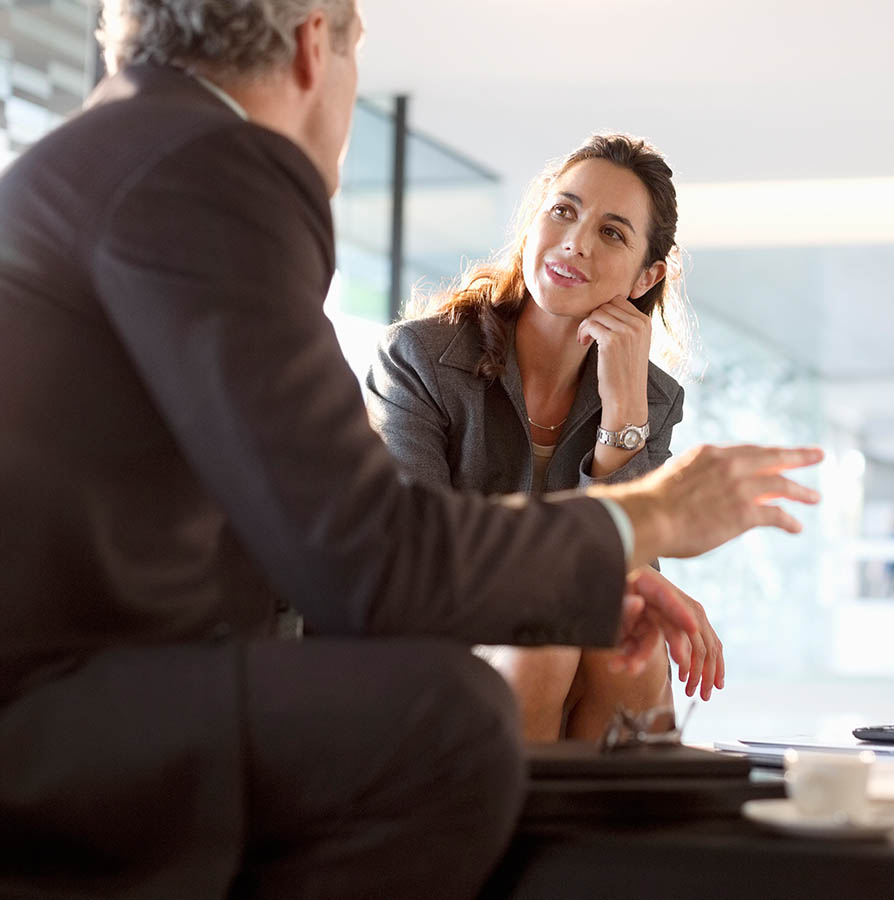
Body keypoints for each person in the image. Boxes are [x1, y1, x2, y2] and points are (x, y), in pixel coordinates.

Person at [0, 1, 823, 898]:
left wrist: (591, 564)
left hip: (94, 677)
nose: (578, 244)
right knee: (449, 721)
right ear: (318, 46)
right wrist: (650, 512)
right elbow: (368, 557)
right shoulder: (205, 167)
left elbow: (309, 524)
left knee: (606, 657)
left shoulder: (126, 148)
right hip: (51, 714)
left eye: (613, 234)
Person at [367, 132, 722, 742]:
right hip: (437, 640)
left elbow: (626, 570)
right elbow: (416, 556)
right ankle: (512, 832)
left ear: (647, 276)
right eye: (563, 210)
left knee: (626, 637)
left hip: (569, 659)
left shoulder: (654, 400)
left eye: (612, 232)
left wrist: (624, 416)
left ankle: (619, 835)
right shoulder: (420, 358)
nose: (575, 241)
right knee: (552, 633)